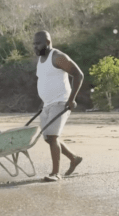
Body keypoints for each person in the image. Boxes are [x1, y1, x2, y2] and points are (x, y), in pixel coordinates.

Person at [33, 30, 84, 182]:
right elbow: (45, 83)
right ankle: (74, 158)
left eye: (38, 43)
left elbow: (78, 75)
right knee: (48, 138)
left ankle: (56, 173)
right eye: (34, 44)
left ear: (48, 42)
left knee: (53, 137)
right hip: (47, 104)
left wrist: (71, 99)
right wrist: (42, 103)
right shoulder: (40, 60)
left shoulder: (57, 57)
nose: (35, 47)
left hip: (61, 101)